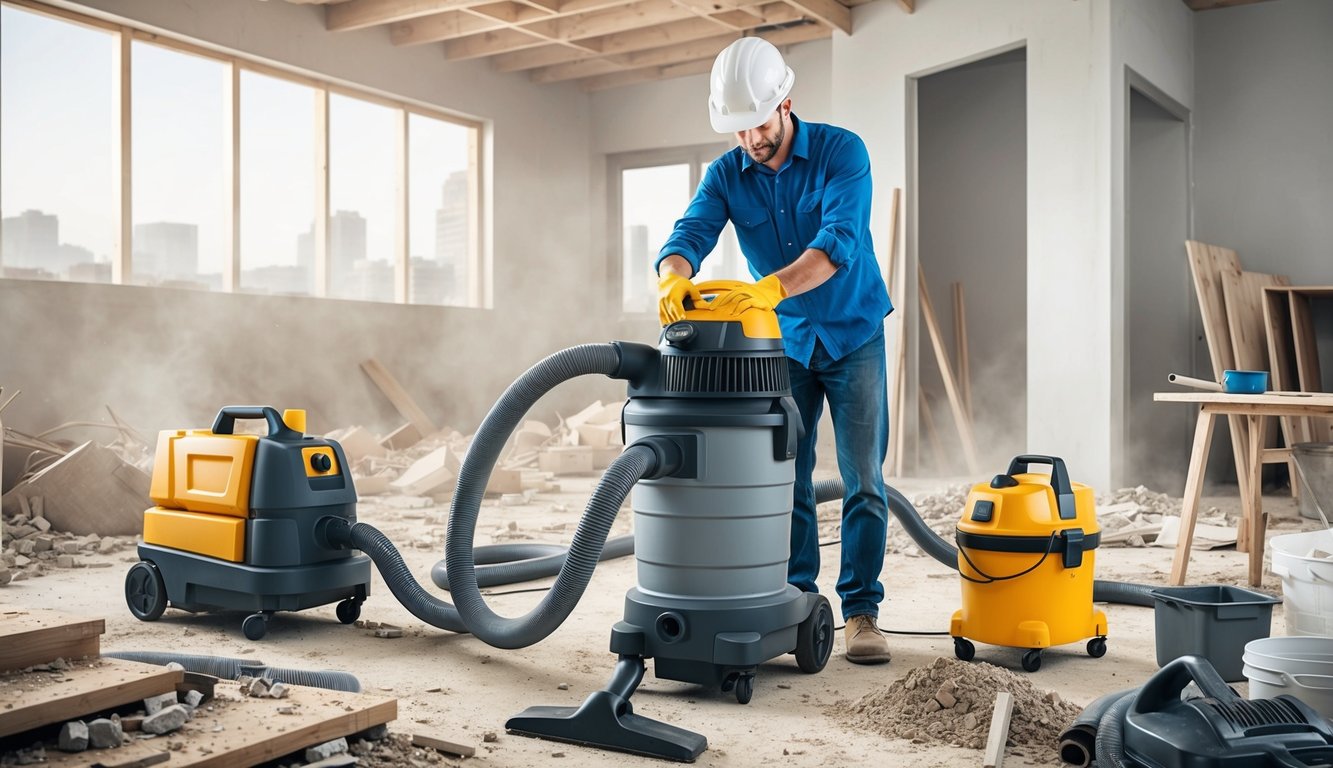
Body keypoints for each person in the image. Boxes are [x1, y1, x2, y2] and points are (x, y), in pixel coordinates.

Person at [655, 37, 895, 665]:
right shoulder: (728, 173)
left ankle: (863, 612)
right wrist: (672, 273)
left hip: (853, 332)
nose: (749, 142)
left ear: (787, 103)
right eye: (737, 131)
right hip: (784, 342)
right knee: (785, 473)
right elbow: (692, 231)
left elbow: (839, 239)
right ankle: (795, 598)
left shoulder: (843, 152)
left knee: (863, 478)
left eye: (758, 125)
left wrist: (770, 287)